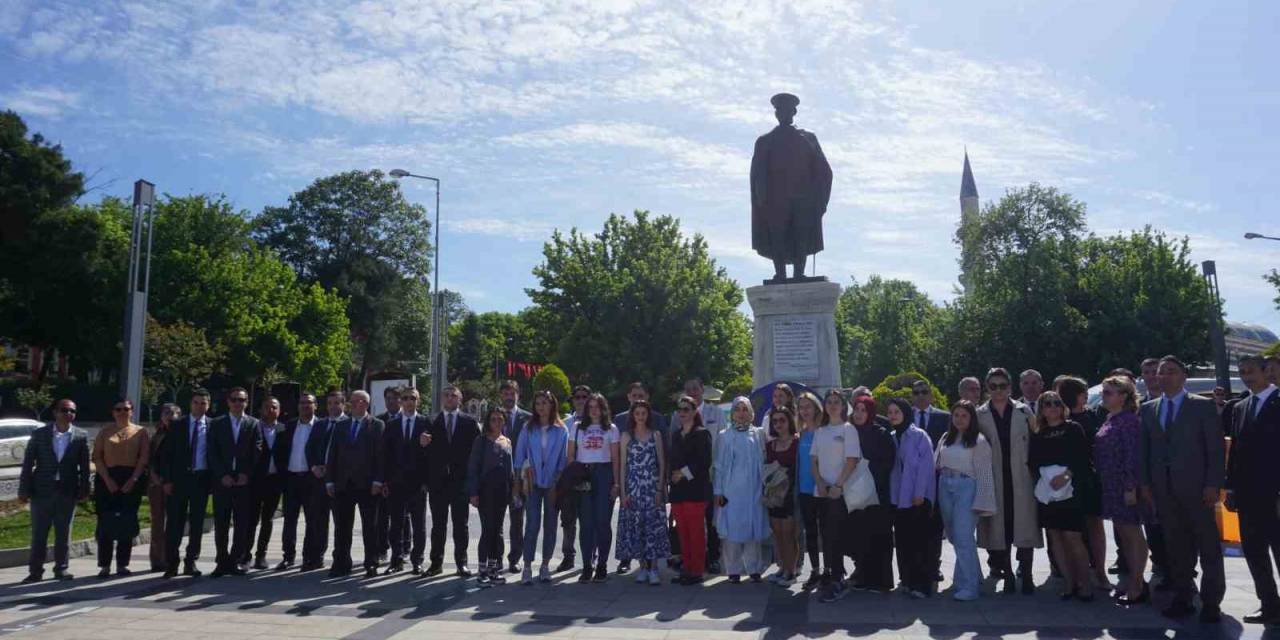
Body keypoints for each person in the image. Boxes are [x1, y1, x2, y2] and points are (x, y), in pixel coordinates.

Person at [1138, 355, 1225, 623]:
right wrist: (1145, 484)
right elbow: (1145, 451)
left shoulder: (1202, 406)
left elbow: (1215, 449)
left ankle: (1211, 602)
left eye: (1171, 372)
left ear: (1183, 377)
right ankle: (1183, 597)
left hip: (1198, 490)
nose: (1164, 377)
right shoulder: (1149, 409)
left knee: (1208, 548)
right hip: (1163, 492)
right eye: (1161, 373)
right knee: (1176, 548)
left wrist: (1213, 484)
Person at [976, 367, 1041, 595]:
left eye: (1002, 386)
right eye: (993, 386)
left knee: (1025, 526)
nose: (998, 390)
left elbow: (1038, 442)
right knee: (999, 529)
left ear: (1010, 388)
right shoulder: (979, 414)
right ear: (987, 388)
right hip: (994, 477)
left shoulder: (1024, 412)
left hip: (1021, 477)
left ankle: (1027, 573)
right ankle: (1008, 575)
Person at [1225, 355, 1280, 624]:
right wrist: (1231, 488)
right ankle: (1269, 604)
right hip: (1248, 494)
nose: (1247, 376)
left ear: (1265, 371)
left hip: (1276, 493)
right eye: (1242, 372)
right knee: (1255, 551)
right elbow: (1235, 450)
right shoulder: (1240, 406)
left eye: (1252, 371)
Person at [1028, 391, 1094, 601]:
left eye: (1057, 403)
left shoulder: (1073, 428)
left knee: (1073, 537)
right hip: (1048, 493)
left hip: (1071, 490)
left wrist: (1066, 475)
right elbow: (1032, 462)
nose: (1053, 407)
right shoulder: (1038, 433)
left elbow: (1083, 457)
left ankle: (1085, 584)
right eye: (1047, 404)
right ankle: (1068, 582)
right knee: (1055, 538)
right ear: (1042, 409)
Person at [18, 398, 91, 583]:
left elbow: (85, 467)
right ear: (55, 412)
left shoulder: (81, 436)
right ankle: (35, 571)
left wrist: (85, 489)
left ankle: (61, 569)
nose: (68, 414)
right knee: (39, 533)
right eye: (64, 410)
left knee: (63, 533)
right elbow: (28, 464)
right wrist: (23, 490)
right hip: (42, 491)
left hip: (67, 491)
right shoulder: (40, 434)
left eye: (72, 411)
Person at [1094, 375, 1150, 605]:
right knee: (1124, 536)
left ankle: (1137, 584)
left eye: (1108, 392)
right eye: (1103, 392)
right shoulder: (1111, 418)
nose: (1103, 396)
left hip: (1124, 486)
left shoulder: (1128, 420)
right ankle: (1133, 580)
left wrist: (1130, 487)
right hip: (1110, 485)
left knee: (1132, 535)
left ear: (1124, 396)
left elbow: (1132, 455)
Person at [935, 401, 996, 601]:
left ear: (971, 419)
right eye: (956, 415)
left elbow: (985, 474)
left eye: (964, 416)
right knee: (954, 536)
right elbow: (936, 464)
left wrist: (984, 502)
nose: (959, 419)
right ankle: (975, 575)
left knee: (963, 536)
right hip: (945, 485)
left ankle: (968, 586)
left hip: (967, 487)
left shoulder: (979, 441)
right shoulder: (946, 438)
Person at [1055, 375, 1109, 589]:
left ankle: (1100, 572)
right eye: (1082, 391)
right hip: (1067, 480)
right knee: (1072, 530)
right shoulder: (1061, 419)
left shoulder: (1094, 416)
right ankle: (1077, 575)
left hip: (1090, 478)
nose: (1086, 395)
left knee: (1095, 526)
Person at [325, 390, 385, 578]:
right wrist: (329, 481)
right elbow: (332, 454)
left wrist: (378, 480)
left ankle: (371, 563)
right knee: (342, 527)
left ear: (366, 404)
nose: (355, 404)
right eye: (352, 401)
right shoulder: (341, 426)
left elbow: (381, 456)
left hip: (367, 484)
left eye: (359, 401)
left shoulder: (377, 425)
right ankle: (341, 563)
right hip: (343, 484)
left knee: (370, 527)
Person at [424, 384, 480, 577]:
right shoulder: (431, 421)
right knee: (438, 525)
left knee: (461, 525)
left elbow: (476, 455)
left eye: (453, 395)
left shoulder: (469, 423)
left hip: (460, 482)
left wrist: (474, 484)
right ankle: (435, 563)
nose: (449, 398)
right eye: (446, 395)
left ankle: (461, 563)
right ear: (442, 399)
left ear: (459, 399)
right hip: (437, 483)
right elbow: (425, 454)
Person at [159, 388, 215, 578]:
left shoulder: (213, 426)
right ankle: (172, 562)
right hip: (178, 480)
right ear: (190, 404)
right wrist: (166, 480)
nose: (199, 406)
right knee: (174, 523)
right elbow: (166, 456)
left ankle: (191, 561)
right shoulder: (177, 425)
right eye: (196, 402)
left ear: (208, 405)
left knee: (197, 523)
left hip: (200, 479)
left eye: (203, 403)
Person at [515, 390, 568, 584]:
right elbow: (519, 456)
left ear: (552, 405)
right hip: (532, 481)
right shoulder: (528, 428)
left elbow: (563, 459)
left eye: (544, 403)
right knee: (532, 523)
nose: (541, 407)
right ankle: (527, 566)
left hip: (553, 482)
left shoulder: (561, 430)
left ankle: (545, 565)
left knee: (551, 524)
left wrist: (558, 479)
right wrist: (518, 482)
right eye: (538, 403)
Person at [811, 390, 861, 602]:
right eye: (829, 402)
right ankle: (830, 573)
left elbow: (852, 460)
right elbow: (813, 460)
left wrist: (838, 485)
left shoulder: (849, 429)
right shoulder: (820, 431)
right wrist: (820, 483)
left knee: (837, 535)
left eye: (836, 402)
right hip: (822, 492)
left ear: (843, 406)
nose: (832, 405)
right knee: (826, 535)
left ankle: (838, 578)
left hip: (840, 492)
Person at [93, 398, 150, 578]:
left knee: (126, 523)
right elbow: (97, 457)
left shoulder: (140, 432)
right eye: (118, 409)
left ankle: (122, 565)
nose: (122, 412)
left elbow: (143, 458)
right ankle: (104, 565)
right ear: (113, 412)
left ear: (132, 411)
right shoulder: (105, 431)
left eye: (126, 409)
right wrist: (107, 479)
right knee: (106, 523)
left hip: (131, 479)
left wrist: (133, 479)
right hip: (106, 479)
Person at [208, 387, 262, 577]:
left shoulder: (254, 423)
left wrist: (246, 473)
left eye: (242, 400)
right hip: (223, 481)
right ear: (228, 402)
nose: (238, 403)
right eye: (234, 399)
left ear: (247, 402)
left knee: (242, 524)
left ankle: (235, 559)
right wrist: (222, 474)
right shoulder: (216, 423)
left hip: (243, 482)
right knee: (221, 523)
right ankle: (221, 560)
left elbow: (257, 450)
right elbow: (212, 452)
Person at [567, 393, 621, 583]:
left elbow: (615, 458)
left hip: (604, 473)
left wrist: (616, 483)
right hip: (584, 472)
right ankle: (587, 565)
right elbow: (571, 455)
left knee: (602, 522)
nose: (593, 410)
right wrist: (576, 476)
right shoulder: (576, 427)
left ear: (603, 408)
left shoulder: (611, 429)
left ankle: (602, 565)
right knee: (586, 523)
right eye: (590, 407)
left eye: (597, 406)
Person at [715, 397, 770, 584]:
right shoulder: (725, 435)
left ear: (751, 412)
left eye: (744, 409)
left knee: (752, 530)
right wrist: (719, 491)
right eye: (737, 409)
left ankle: (754, 568)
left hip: (753, 487)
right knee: (732, 532)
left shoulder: (758, 433)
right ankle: (733, 570)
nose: (741, 413)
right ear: (732, 413)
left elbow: (764, 460)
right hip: (732, 490)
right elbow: (719, 465)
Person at [616, 399, 671, 585]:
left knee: (654, 527)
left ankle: (654, 568)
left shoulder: (655, 435)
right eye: (637, 413)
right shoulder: (626, 436)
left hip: (651, 486)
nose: (640, 417)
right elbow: (622, 467)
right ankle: (642, 567)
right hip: (633, 487)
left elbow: (661, 464)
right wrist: (623, 493)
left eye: (643, 413)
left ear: (648, 415)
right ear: (633, 415)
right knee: (636, 527)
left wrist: (659, 489)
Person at [886, 397, 936, 599]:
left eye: (896, 411)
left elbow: (926, 468)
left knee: (920, 543)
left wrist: (919, 493)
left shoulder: (919, 436)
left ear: (905, 413)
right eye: (889, 412)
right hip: (898, 498)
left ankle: (922, 584)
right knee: (904, 541)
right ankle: (907, 580)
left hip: (917, 498)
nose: (892, 416)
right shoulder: (891, 436)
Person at [847, 395, 894, 593]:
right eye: (856, 409)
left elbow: (888, 462)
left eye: (863, 410)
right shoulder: (849, 433)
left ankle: (881, 581)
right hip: (855, 494)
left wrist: (867, 471)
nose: (858, 414)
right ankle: (863, 576)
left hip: (877, 494)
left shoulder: (881, 434)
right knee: (859, 537)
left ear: (871, 413)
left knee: (879, 537)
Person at [277, 393, 329, 571]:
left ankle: (310, 557)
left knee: (313, 520)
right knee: (289, 520)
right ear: (297, 406)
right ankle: (288, 556)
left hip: (312, 479)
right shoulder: (289, 426)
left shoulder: (322, 426)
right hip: (291, 478)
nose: (305, 406)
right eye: (302, 403)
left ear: (316, 406)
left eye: (309, 403)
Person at [469, 406, 516, 587]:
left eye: (500, 419)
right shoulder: (481, 441)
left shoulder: (507, 441)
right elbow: (473, 468)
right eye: (493, 419)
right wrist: (473, 492)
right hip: (485, 491)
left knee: (498, 531)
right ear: (488, 421)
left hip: (502, 491)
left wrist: (514, 491)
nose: (497, 422)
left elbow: (510, 470)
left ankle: (494, 568)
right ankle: (482, 571)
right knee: (487, 530)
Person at [383, 387, 429, 574]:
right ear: (400, 401)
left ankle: (417, 559)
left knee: (419, 524)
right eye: (405, 398)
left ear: (418, 401)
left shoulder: (426, 422)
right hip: (397, 482)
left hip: (418, 483)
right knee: (396, 523)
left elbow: (431, 456)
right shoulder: (392, 424)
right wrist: (385, 481)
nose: (409, 401)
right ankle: (396, 559)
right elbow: (385, 454)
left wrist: (428, 480)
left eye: (413, 398)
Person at [668, 394, 713, 586]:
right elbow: (672, 460)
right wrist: (673, 474)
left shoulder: (702, 433)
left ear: (695, 411)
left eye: (686, 409)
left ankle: (697, 571)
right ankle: (686, 568)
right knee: (682, 532)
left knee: (696, 532)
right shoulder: (676, 434)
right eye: (680, 410)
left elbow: (703, 462)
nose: (682, 413)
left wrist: (683, 473)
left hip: (695, 489)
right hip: (678, 490)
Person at [908, 380, 948, 584]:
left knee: (935, 526)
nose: (921, 395)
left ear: (931, 395)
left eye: (924, 392)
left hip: (937, 479)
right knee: (914, 526)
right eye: (916, 392)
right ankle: (916, 566)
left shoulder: (945, 417)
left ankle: (934, 566)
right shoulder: (906, 419)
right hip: (912, 481)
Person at [245, 396, 285, 570]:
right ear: (261, 409)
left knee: (267, 519)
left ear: (279, 410)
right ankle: (245, 555)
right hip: (255, 480)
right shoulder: (253, 427)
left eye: (274, 407)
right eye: (267, 407)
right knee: (250, 519)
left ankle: (261, 555)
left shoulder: (285, 429)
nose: (271, 410)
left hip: (274, 481)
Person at [556, 384, 592, 572]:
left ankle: (590, 557)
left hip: (589, 479)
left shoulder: (596, 422)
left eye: (584, 397)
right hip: (569, 479)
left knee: (588, 520)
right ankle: (568, 556)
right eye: (577, 397)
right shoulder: (565, 423)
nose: (580, 400)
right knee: (568, 520)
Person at [498, 380, 532, 574]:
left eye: (512, 393)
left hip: (521, 477)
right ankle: (496, 557)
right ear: (501, 396)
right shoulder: (493, 416)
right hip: (498, 478)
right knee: (495, 520)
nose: (509, 397)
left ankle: (514, 558)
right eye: (506, 393)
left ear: (518, 395)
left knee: (518, 521)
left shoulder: (528, 418)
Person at [764, 407, 799, 586]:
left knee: (788, 534)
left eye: (782, 420)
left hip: (791, 494)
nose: (778, 424)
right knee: (777, 533)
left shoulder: (797, 442)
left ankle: (791, 571)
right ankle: (783, 568)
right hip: (774, 495)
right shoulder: (770, 445)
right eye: (775, 421)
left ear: (789, 421)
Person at [794, 391, 825, 589]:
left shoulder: (823, 431)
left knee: (827, 531)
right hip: (804, 490)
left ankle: (830, 570)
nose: (805, 411)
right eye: (801, 407)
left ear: (816, 408)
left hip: (821, 489)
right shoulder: (801, 433)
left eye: (808, 406)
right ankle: (815, 570)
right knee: (810, 532)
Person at [147, 403, 181, 572]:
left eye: (174, 412)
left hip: (175, 484)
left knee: (173, 522)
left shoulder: (181, 435)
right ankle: (157, 558)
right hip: (156, 484)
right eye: (167, 412)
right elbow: (150, 459)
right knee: (157, 521)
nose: (170, 415)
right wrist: (154, 477)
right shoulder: (156, 436)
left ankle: (170, 557)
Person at [374, 385, 401, 566]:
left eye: (394, 398)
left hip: (403, 477)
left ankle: (403, 549)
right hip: (384, 476)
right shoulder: (379, 421)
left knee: (402, 517)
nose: (391, 401)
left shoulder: (408, 419)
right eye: (388, 398)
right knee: (382, 516)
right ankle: (381, 549)